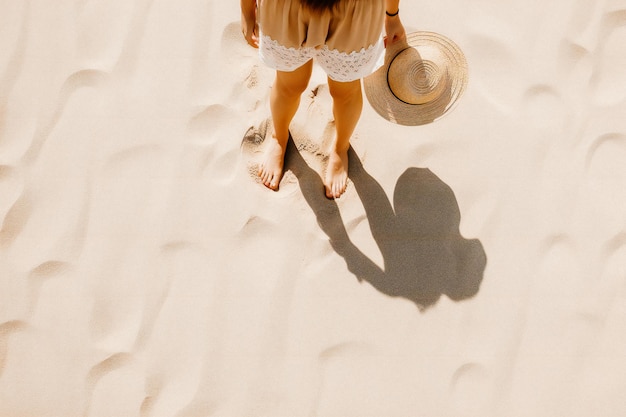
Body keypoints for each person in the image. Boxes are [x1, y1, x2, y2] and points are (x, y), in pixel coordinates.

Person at [241, 0, 406, 198]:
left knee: (345, 91)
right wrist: (247, 9)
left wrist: (392, 15)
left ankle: (340, 147)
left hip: (354, 9)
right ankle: (279, 137)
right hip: (289, 6)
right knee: (289, 85)